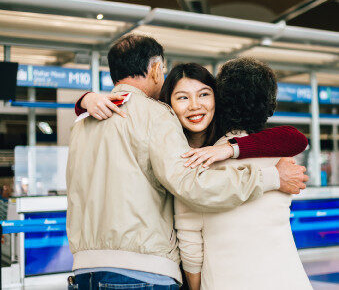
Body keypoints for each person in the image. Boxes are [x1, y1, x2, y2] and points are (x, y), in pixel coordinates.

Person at [66, 34, 308, 290]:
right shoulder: (157, 116)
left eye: (203, 94)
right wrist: (272, 177)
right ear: (157, 69)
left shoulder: (83, 122)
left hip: (84, 271)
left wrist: (230, 149)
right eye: (182, 97)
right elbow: (192, 186)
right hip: (144, 271)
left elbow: (294, 138)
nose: (194, 105)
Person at [174, 58, 312, 289]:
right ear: (270, 105)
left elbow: (190, 243)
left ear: (220, 101)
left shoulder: (197, 163)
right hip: (287, 279)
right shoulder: (282, 160)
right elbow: (295, 138)